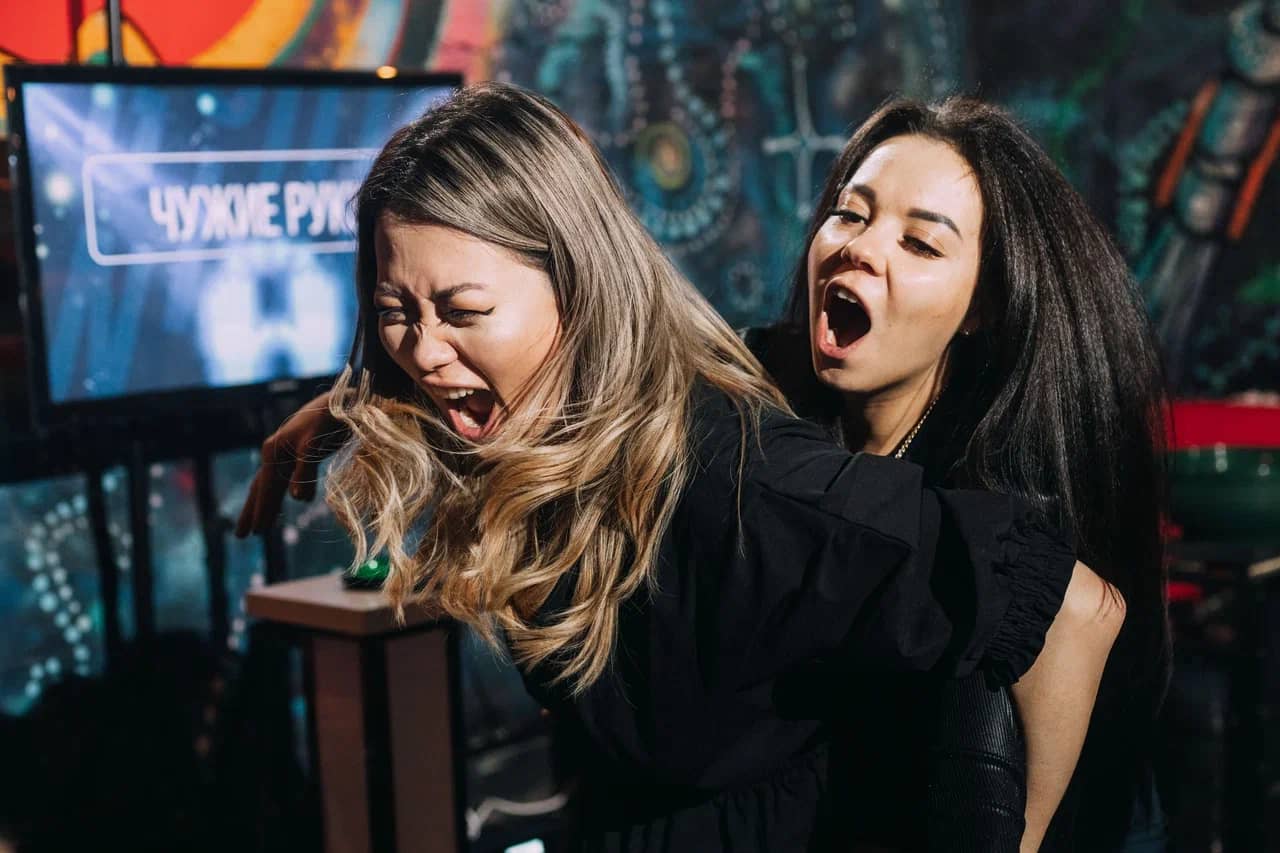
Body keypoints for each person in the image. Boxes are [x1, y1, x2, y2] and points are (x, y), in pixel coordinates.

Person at [236, 82, 1124, 851]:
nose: (425, 349)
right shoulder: (590, 407)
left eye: (464, 311)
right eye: (396, 311)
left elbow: (1074, 604)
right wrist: (352, 401)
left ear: (577, 285)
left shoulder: (742, 484)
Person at [745, 98, 1169, 851]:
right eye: (849, 214)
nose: (860, 248)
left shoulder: (989, 512)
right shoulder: (761, 409)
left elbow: (1084, 611)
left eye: (920, 243)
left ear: (981, 307)